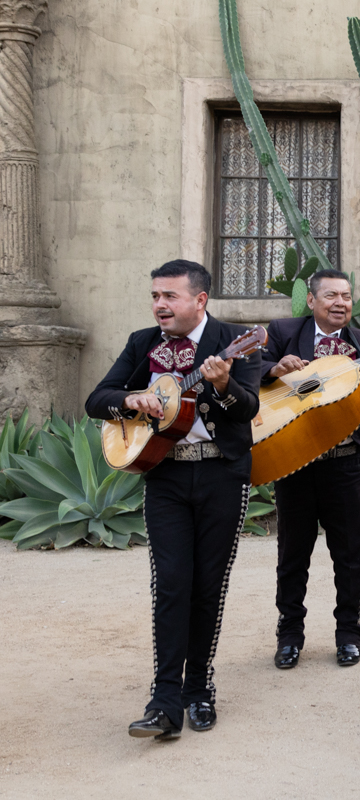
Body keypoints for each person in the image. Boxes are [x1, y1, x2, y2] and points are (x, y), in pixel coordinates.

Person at [87, 260, 263, 742]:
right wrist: (133, 400)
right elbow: (96, 398)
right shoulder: (142, 343)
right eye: (155, 296)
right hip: (164, 475)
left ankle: (198, 688)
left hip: (222, 474)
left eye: (170, 296)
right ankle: (164, 701)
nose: (159, 305)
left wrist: (224, 386)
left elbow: (250, 407)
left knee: (208, 585)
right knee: (171, 584)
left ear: (200, 300)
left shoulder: (237, 340)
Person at [262, 269, 360, 670]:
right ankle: (289, 634)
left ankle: (349, 635)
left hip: (344, 463)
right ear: (311, 301)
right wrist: (275, 369)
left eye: (346, 296)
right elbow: (250, 371)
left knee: (348, 554)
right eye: (331, 296)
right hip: (293, 463)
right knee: (292, 553)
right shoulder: (283, 331)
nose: (341, 303)